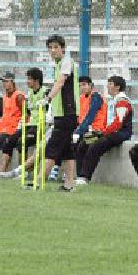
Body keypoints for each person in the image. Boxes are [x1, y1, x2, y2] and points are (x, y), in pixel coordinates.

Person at [38, 35, 80, 191]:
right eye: (50, 47)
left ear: (63, 48)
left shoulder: (66, 62)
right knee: (67, 151)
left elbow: (61, 82)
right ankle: (70, 184)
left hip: (68, 113)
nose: (53, 50)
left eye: (56, 47)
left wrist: (48, 98)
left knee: (52, 148)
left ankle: (39, 181)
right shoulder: (57, 64)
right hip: (61, 113)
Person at [76, 75, 132, 184]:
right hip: (108, 131)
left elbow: (119, 122)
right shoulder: (113, 100)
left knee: (95, 146)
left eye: (110, 84)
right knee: (83, 143)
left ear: (117, 87)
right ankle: (79, 176)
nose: (107, 86)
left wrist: (104, 132)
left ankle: (85, 177)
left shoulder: (122, 101)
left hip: (120, 133)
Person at [71, 75, 107, 183]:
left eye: (84, 85)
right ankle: (77, 175)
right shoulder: (81, 99)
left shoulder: (96, 97)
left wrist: (78, 131)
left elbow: (90, 116)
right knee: (70, 144)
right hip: (85, 131)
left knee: (83, 145)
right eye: (80, 85)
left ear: (91, 85)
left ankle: (84, 177)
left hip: (97, 131)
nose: (82, 87)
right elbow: (78, 117)